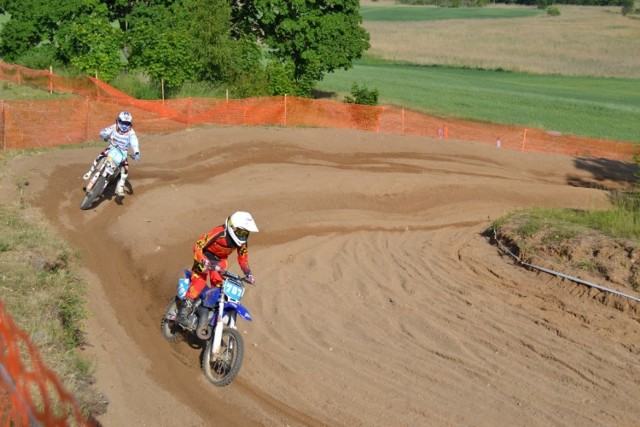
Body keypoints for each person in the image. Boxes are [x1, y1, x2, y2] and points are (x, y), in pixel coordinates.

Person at [177, 211, 259, 326]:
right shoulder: (219, 232)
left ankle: (209, 314)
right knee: (199, 283)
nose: (243, 236)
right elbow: (198, 245)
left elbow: (243, 259)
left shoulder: (242, 243)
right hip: (204, 256)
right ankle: (182, 313)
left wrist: (248, 273)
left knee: (220, 287)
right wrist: (202, 260)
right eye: (240, 232)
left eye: (246, 233)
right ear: (232, 227)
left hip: (219, 261)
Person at [83, 111, 140, 197]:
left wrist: (136, 152)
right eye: (123, 122)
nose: (124, 125)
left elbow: (134, 141)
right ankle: (90, 171)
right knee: (100, 157)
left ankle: (120, 186)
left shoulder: (131, 132)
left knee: (125, 168)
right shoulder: (114, 127)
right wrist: (104, 135)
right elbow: (104, 131)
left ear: (129, 123)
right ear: (118, 121)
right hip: (112, 148)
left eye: (127, 123)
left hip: (123, 153)